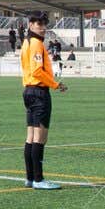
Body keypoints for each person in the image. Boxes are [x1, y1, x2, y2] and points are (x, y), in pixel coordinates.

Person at [19, 12, 67, 190]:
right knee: (40, 138)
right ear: (31, 25)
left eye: (44, 24)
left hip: (28, 91)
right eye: (39, 24)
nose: (43, 27)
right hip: (39, 92)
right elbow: (38, 71)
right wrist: (55, 84)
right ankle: (38, 179)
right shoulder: (37, 44)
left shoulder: (26, 43)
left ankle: (30, 178)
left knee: (31, 137)